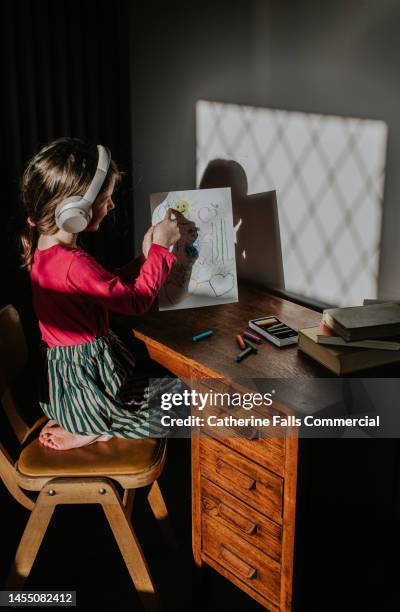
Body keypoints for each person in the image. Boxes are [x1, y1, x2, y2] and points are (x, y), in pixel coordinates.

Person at [20, 137, 181, 451]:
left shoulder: (46, 247)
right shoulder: (73, 263)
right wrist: (160, 250)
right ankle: (92, 426)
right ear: (75, 211)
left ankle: (83, 417)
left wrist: (144, 260)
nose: (111, 206)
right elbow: (134, 302)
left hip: (71, 379)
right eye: (106, 199)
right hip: (88, 383)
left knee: (165, 386)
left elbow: (101, 288)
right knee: (176, 406)